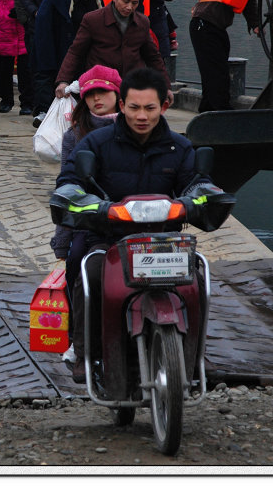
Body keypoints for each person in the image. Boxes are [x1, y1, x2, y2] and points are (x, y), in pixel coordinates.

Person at [55, 67, 201, 382]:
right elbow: (69, 181)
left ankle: (194, 354)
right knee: (89, 275)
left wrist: (200, 201)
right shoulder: (95, 143)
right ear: (121, 105)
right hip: (108, 241)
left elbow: (197, 185)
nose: (141, 116)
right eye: (134, 107)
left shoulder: (180, 147)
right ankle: (85, 352)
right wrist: (84, 203)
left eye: (150, 108)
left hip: (163, 243)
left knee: (198, 279)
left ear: (164, 107)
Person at [49, 64, 121, 351]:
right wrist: (62, 238)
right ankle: (79, 340)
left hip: (138, 220)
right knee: (76, 261)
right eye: (90, 94)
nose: (97, 99)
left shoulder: (138, 129)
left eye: (103, 92)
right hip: (93, 222)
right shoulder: (74, 137)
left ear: (118, 94)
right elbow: (67, 188)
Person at [54, 0, 171, 102]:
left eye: (134, 3)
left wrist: (166, 87)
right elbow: (75, 52)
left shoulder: (142, 22)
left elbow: (153, 57)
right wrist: (63, 81)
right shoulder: (93, 19)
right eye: (126, 1)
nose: (129, 7)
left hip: (131, 86)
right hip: (100, 86)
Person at [13, 0, 78, 117]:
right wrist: (35, 14)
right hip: (38, 26)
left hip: (66, 27)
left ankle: (68, 109)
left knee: (66, 67)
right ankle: (42, 109)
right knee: (40, 67)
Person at [31, 0, 104, 126]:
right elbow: (43, 28)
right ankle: (45, 111)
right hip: (57, 45)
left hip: (87, 49)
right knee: (49, 74)